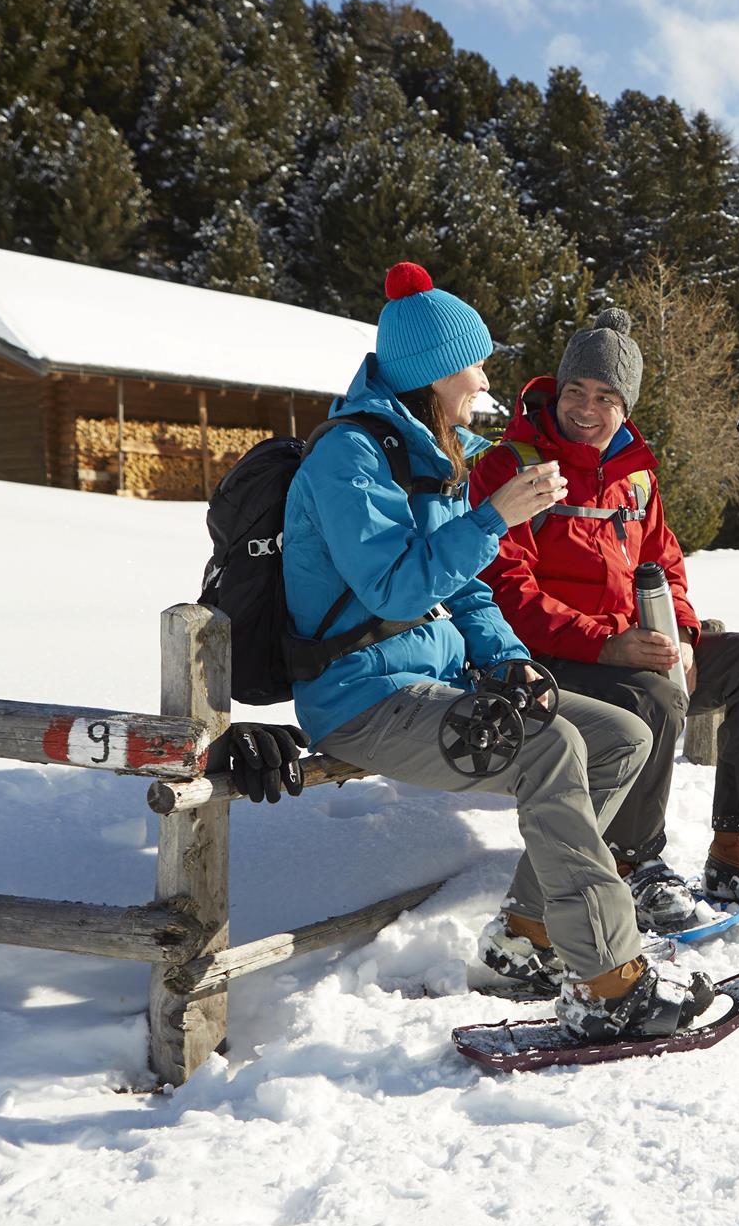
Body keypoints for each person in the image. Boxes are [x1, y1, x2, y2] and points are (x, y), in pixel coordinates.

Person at [273, 261, 712, 1041]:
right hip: (365, 698)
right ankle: (609, 978)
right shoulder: (352, 460)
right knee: (547, 749)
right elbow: (397, 592)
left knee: (623, 736)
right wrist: (494, 517)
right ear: (438, 372)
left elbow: (468, 589)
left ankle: (527, 937)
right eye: (474, 363)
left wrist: (512, 661)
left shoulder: (432, 451)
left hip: (436, 680)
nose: (484, 377)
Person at [468, 308, 739, 930]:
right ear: (558, 390)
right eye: (577, 391)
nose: (587, 409)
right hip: (548, 662)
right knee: (653, 694)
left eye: (606, 396)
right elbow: (506, 591)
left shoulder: (635, 477)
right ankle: (629, 862)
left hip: (634, 647)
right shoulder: (511, 467)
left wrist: (685, 636)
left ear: (626, 405)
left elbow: (665, 563)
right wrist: (609, 645)